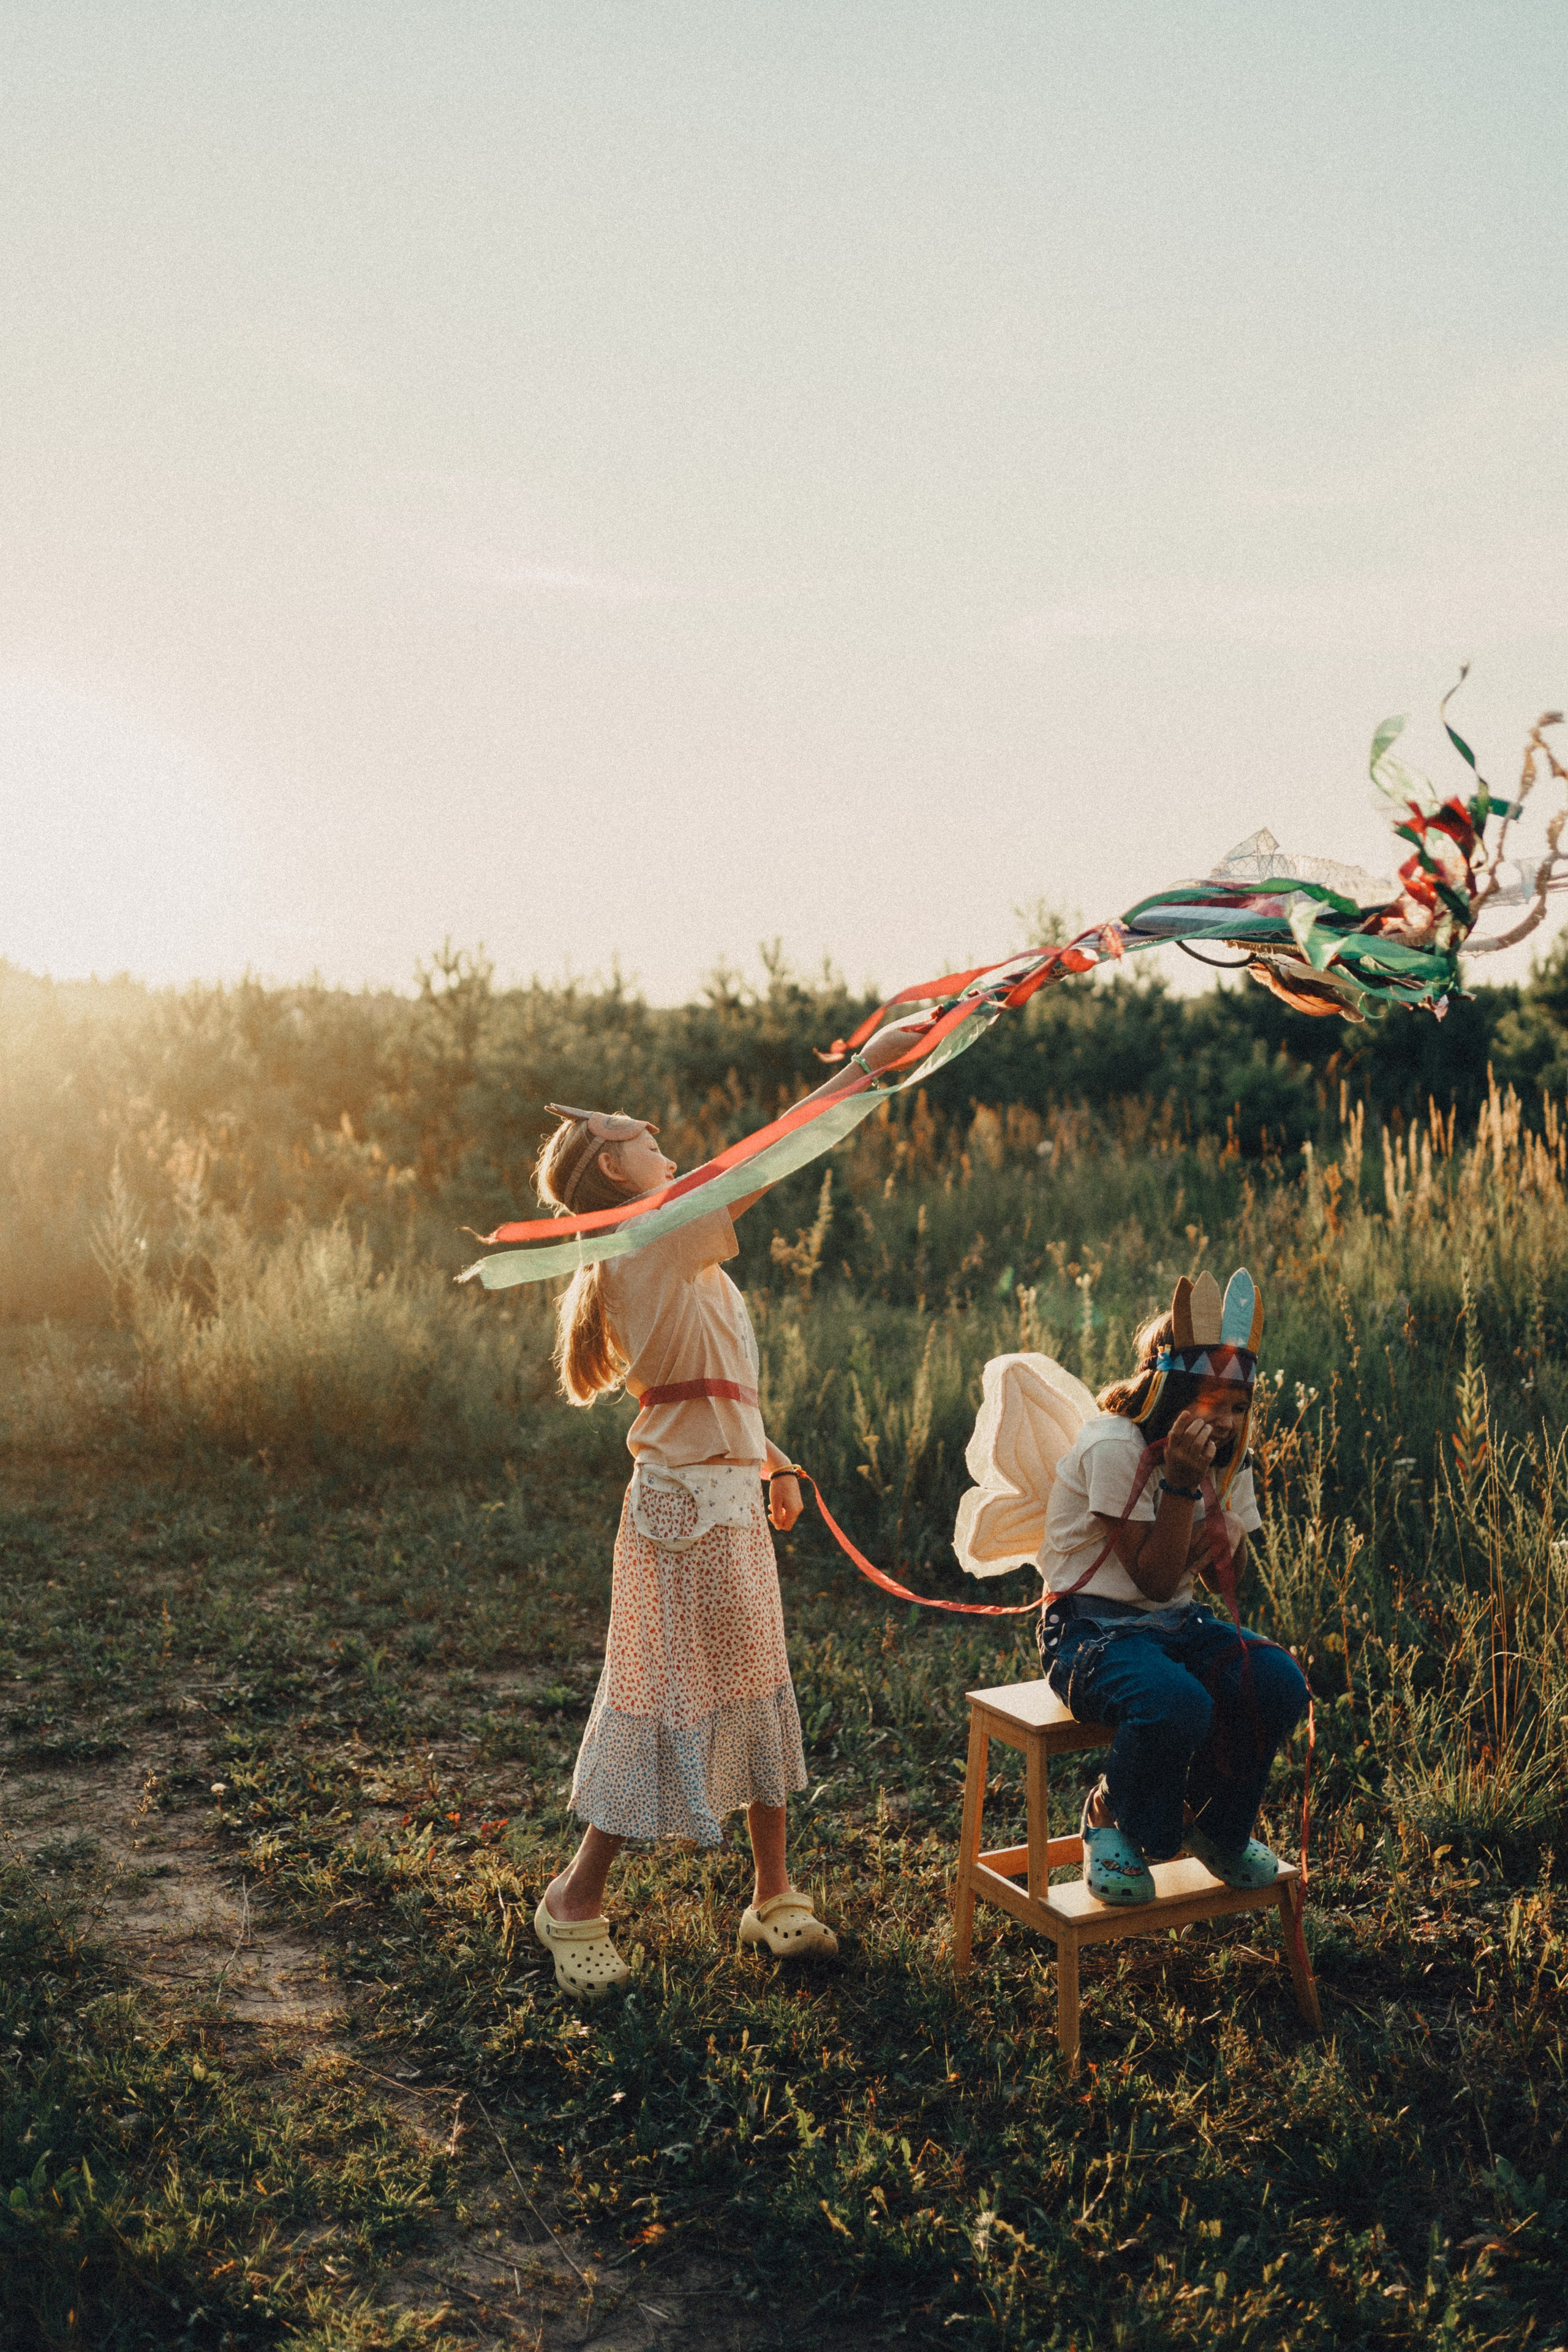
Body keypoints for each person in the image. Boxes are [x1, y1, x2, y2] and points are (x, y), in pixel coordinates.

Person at [529, 1025, 917, 1997]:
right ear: (614, 1169)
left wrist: (775, 1462)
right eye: (640, 1135)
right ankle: (573, 1898)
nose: (660, 1135)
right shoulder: (652, 1236)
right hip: (678, 1516)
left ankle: (773, 1893)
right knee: (660, 1696)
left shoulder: (678, 1251)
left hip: (730, 1501)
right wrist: (865, 1073)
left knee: (754, 1685)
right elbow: (771, 1153)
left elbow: (714, 1390)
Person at [1037, 1270, 1309, 1905]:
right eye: (1213, 1406)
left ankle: (1216, 1826)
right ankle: (1111, 1816)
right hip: (1089, 1632)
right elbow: (1155, 1581)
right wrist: (1183, 1487)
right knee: (1175, 1700)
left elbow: (1216, 1584)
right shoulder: (1113, 1448)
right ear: (1168, 1393)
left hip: (1174, 1625)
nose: (1228, 1423)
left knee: (1274, 1680)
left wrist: (1230, 1540)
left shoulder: (1226, 1457)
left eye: (1239, 1407)